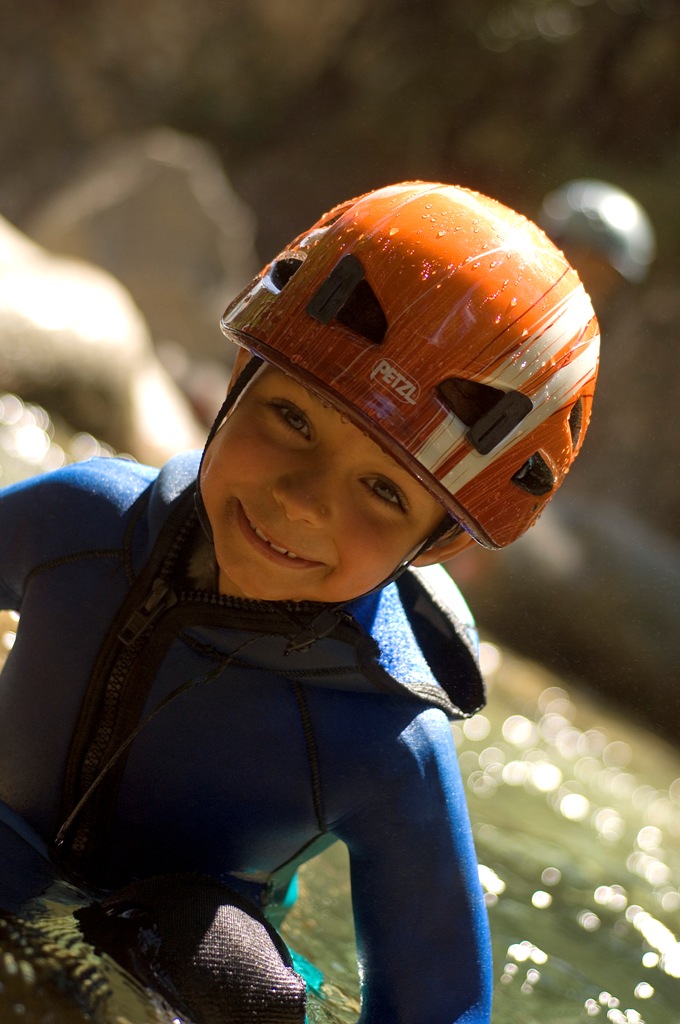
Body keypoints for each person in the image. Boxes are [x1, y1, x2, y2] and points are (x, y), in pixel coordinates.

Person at [0, 182, 600, 1024]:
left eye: (385, 493)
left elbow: (439, 1006)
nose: (305, 500)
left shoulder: (387, 741)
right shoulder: (85, 521)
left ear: (437, 545)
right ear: (241, 376)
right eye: (292, 416)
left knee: (224, 974)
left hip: (176, 938)